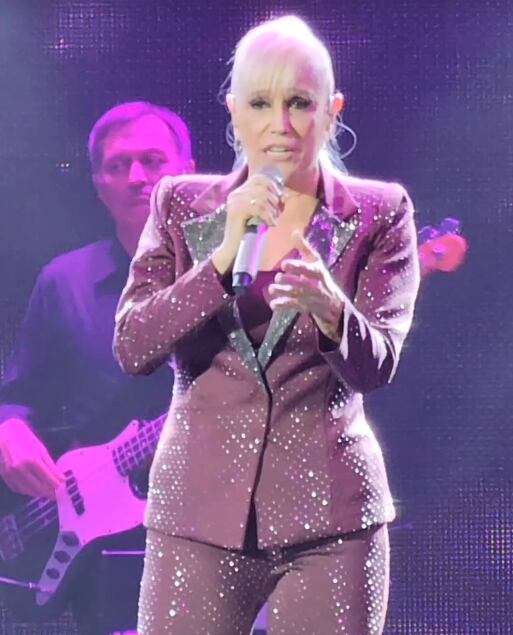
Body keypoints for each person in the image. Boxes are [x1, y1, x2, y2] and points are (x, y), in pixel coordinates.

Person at [114, 16, 420, 635]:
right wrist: (221, 261)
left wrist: (332, 307)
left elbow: (379, 364)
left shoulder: (379, 214)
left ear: (332, 111)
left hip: (331, 524)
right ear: (234, 111)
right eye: (260, 103)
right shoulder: (178, 204)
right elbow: (133, 345)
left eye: (299, 104)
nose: (280, 126)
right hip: (195, 517)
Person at [0, 101, 194, 634]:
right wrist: (9, 431)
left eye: (154, 159)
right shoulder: (64, 281)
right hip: (102, 549)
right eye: (117, 165)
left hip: (212, 528)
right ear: (97, 183)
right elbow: (20, 393)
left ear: (186, 172)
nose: (136, 176)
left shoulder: (235, 275)